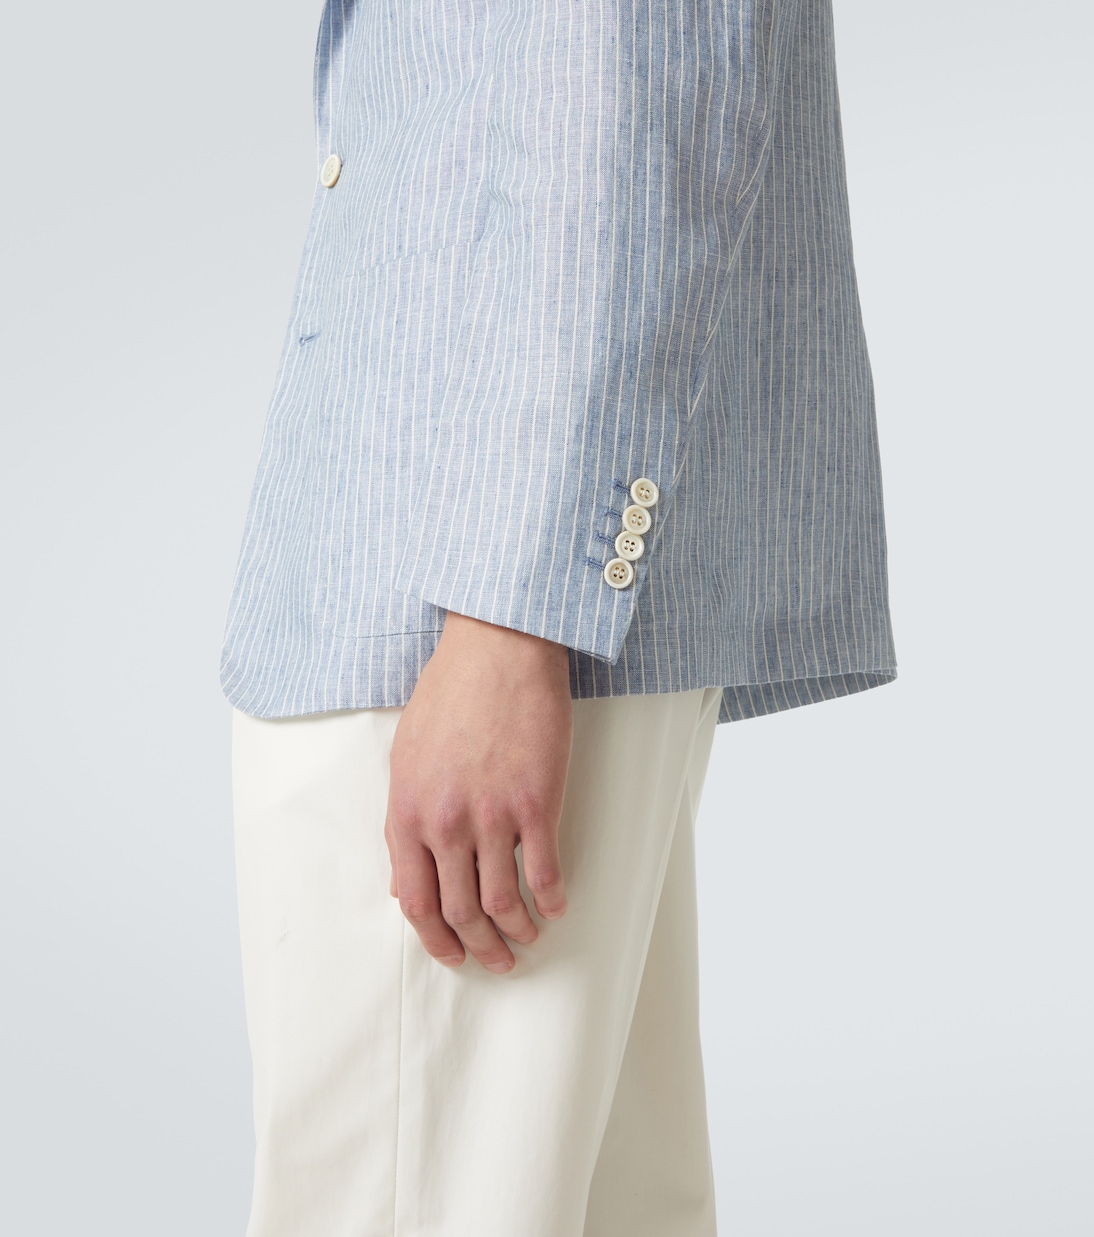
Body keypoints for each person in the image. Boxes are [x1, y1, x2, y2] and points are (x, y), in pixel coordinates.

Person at [221, 1, 897, 1233]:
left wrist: (508, 612)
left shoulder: (489, 616)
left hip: (451, 591)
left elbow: (624, 87)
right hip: (461, 574)